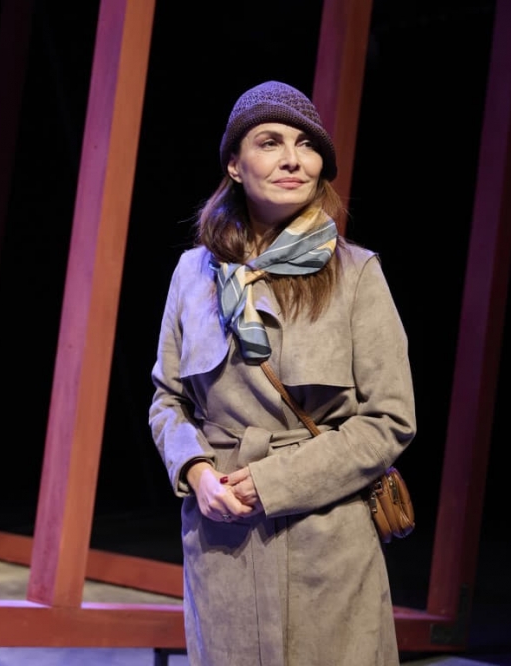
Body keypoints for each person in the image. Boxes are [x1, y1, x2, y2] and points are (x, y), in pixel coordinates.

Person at [148, 80, 416, 665]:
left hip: (327, 539)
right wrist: (196, 471)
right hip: (224, 536)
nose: (293, 159)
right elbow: (167, 400)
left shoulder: (357, 273)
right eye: (270, 142)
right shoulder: (193, 273)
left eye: (307, 145)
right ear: (235, 164)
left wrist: (277, 482)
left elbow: (389, 419)